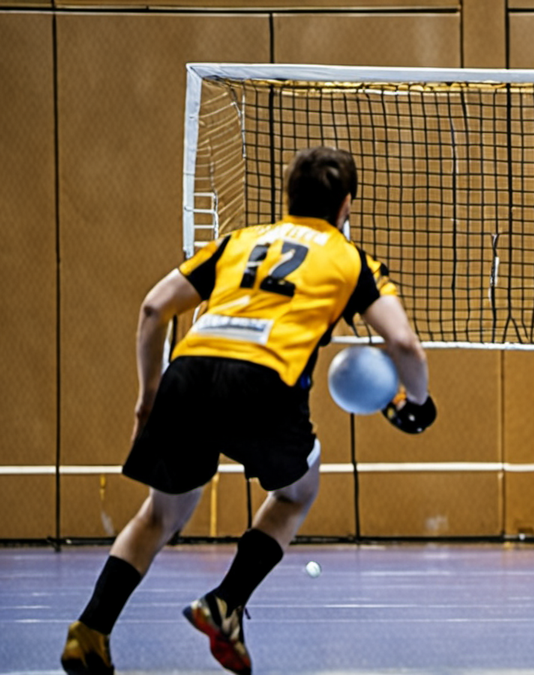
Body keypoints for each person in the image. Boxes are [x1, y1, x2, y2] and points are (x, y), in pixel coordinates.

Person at [60, 147, 437, 675]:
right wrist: (415, 404)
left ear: (288, 198)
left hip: (187, 374)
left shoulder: (238, 241)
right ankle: (226, 601)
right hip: (262, 382)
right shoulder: (352, 260)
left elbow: (153, 308)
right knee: (297, 491)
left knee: (161, 515)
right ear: (346, 205)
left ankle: (90, 631)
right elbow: (405, 345)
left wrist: (147, 398)